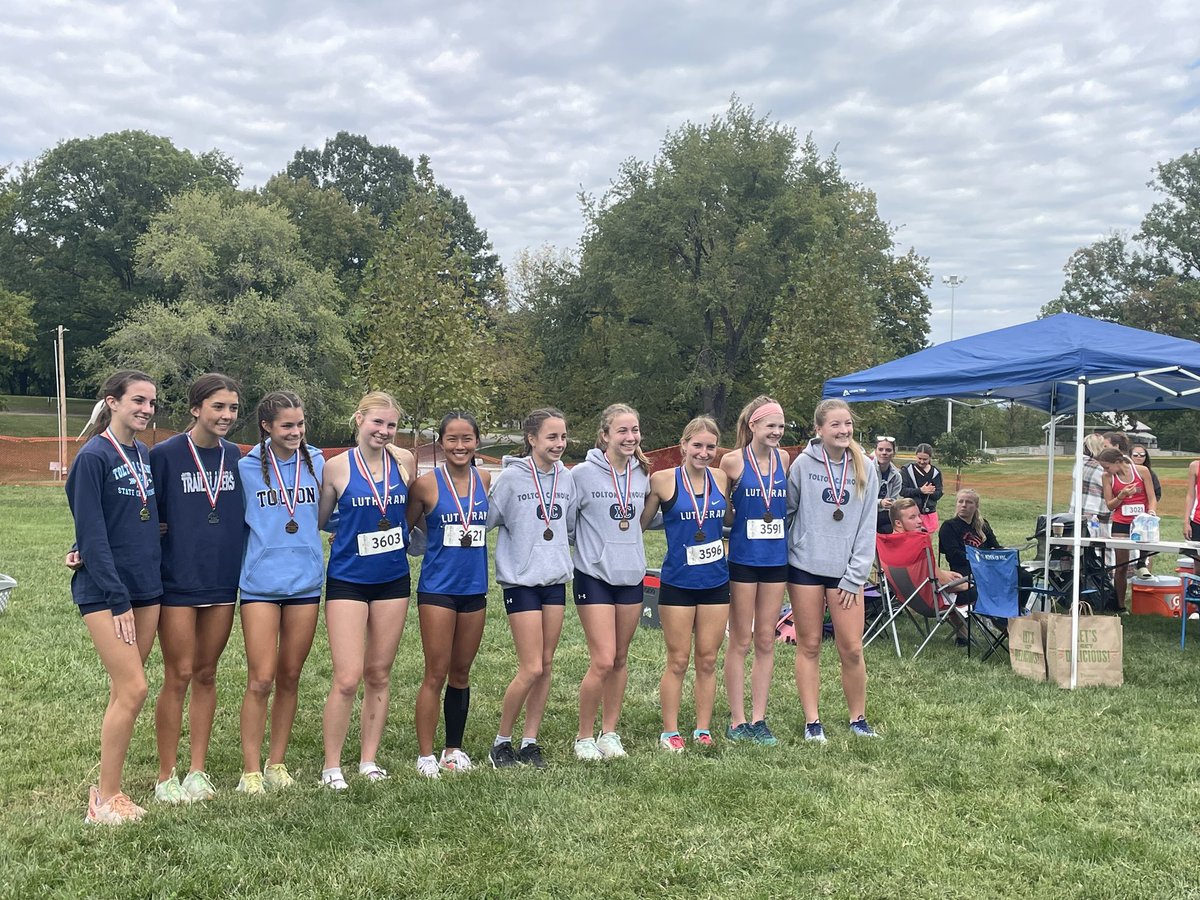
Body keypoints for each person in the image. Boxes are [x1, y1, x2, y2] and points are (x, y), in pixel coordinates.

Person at [67, 370, 162, 824]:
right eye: (138, 400)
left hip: (147, 588)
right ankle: (106, 801)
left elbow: (138, 518)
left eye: (152, 402)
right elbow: (92, 533)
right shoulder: (93, 457)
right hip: (109, 593)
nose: (146, 409)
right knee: (135, 687)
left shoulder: (142, 454)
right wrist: (117, 597)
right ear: (113, 402)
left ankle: (109, 790)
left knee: (122, 691)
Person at [150, 374, 245, 805]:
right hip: (177, 580)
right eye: (218, 407)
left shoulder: (236, 457)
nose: (226, 416)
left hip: (222, 579)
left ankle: (197, 770)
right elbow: (134, 507)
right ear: (195, 409)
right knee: (179, 673)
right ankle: (166, 774)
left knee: (207, 673)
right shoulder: (164, 456)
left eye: (232, 408)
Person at [318, 392, 417, 789]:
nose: (384, 431)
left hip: (393, 578)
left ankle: (368, 761)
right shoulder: (335, 467)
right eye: (377, 423)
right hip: (348, 579)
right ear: (358, 419)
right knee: (347, 677)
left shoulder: (405, 461)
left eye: (391, 425)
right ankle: (331, 767)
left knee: (379, 673)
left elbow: (409, 513)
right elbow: (322, 520)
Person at [236, 390, 327, 795]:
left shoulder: (320, 463)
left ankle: (277, 763)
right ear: (267, 427)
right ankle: (250, 770)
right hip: (259, 584)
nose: (296, 432)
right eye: (287, 425)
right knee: (261, 678)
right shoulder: (246, 467)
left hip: (306, 582)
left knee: (290, 675)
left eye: (301, 424)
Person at [786, 399, 879, 743]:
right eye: (835, 425)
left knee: (851, 648)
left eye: (847, 424)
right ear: (819, 430)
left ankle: (858, 718)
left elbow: (868, 526)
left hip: (846, 573)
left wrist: (855, 574)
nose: (843, 431)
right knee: (809, 645)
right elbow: (788, 512)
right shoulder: (802, 465)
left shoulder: (866, 467)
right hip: (806, 567)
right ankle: (813, 722)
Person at [487, 408, 576, 769]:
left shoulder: (566, 479)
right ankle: (501, 742)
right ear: (532, 439)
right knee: (531, 666)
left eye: (564, 437)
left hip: (554, 579)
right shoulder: (510, 479)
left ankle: (530, 741)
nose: (559, 444)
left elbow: (567, 525)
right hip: (521, 581)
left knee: (547, 663)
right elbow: (488, 521)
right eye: (552, 437)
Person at [406, 412, 491, 778]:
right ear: (441, 442)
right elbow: (403, 529)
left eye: (467, 439)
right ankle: (425, 755)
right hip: (438, 589)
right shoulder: (426, 485)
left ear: (477, 442)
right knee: (435, 672)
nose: (460, 446)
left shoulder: (485, 479)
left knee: (461, 672)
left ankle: (452, 749)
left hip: (475, 588)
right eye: (453, 439)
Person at [641, 416, 730, 752]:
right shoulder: (663, 480)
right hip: (678, 581)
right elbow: (641, 523)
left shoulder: (721, 479)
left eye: (710, 447)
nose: (704, 453)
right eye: (697, 446)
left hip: (716, 582)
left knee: (707, 659)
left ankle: (703, 728)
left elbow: (730, 516)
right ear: (684, 446)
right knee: (678, 659)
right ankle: (670, 730)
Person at [569, 403, 651, 761]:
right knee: (602, 659)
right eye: (622, 431)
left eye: (634, 430)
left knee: (620, 657)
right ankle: (584, 736)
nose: (630, 437)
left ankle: (610, 733)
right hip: (593, 575)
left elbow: (640, 520)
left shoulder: (643, 473)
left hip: (630, 575)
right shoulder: (582, 474)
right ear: (604, 435)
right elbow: (569, 525)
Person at [719, 396, 789, 746]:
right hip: (743, 560)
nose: (776, 432)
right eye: (770, 426)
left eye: (780, 426)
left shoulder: (785, 459)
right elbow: (724, 513)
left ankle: (759, 718)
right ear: (753, 427)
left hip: (776, 561)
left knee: (766, 638)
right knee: (741, 639)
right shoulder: (731, 462)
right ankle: (737, 719)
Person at [1098, 446, 1156, 613]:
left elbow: (1151, 497)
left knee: (1144, 562)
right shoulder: (1107, 477)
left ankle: (1145, 601)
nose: (1105, 470)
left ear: (1117, 462)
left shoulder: (1142, 471)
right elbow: (1110, 505)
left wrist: (1151, 512)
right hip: (1121, 523)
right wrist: (1121, 495)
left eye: (1107, 466)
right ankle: (1120, 605)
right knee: (1121, 565)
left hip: (1142, 523)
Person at [901, 443, 943, 533]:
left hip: (929, 513)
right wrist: (920, 490)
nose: (922, 461)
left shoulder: (935, 472)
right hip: (911, 512)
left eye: (925, 459)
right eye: (919, 458)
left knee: (927, 544)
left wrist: (931, 492)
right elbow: (902, 491)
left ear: (930, 458)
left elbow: (939, 493)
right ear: (916, 456)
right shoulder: (907, 470)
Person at [873, 436, 902, 535]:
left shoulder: (897, 476)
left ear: (893, 453)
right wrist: (880, 502)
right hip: (867, 513)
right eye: (880, 449)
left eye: (888, 450)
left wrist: (891, 503)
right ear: (875, 451)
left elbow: (894, 498)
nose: (884, 453)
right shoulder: (866, 470)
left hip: (886, 515)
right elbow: (860, 498)